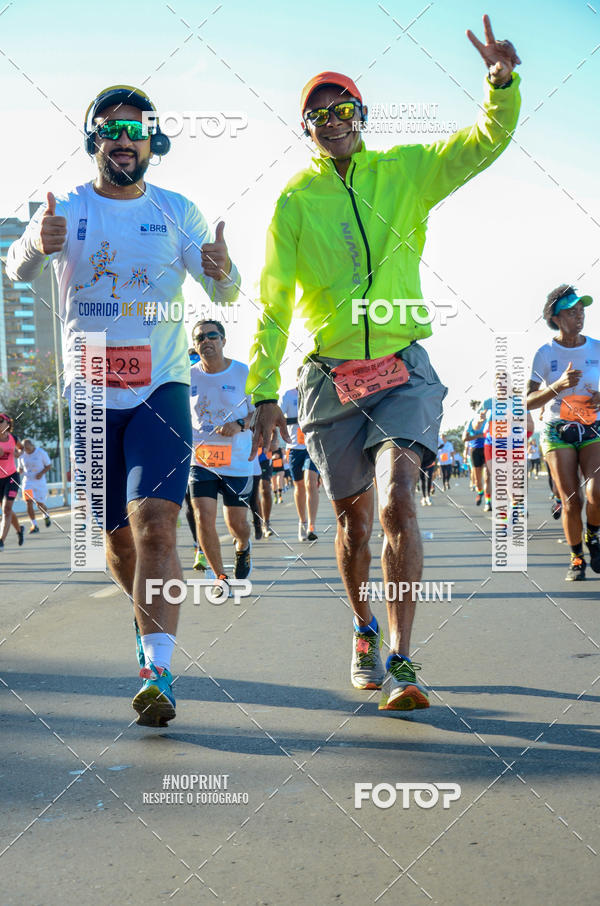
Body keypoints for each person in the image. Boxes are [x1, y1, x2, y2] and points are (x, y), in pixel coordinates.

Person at [247, 17, 521, 711]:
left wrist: (500, 86)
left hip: (401, 369)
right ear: (306, 129)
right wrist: (262, 390)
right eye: (319, 115)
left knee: (398, 498)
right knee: (354, 524)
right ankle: (363, 629)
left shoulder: (404, 172)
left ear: (361, 116)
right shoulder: (294, 201)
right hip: (330, 378)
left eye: (343, 110)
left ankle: (401, 659)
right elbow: (274, 301)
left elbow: (483, 142)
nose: (332, 122)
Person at [7, 85, 240, 725]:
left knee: (157, 524)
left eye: (136, 129)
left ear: (152, 140)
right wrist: (36, 245)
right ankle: (146, 629)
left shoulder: (176, 210)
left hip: (161, 388)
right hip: (90, 391)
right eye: (111, 129)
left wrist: (224, 269)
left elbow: (223, 289)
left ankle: (157, 671)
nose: (124, 139)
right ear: (95, 140)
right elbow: (16, 269)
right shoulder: (68, 207)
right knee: (118, 541)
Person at [528, 285, 600, 580]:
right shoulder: (545, 353)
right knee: (572, 500)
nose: (579, 315)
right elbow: (529, 400)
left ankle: (593, 534)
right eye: (571, 312)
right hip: (557, 429)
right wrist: (557, 386)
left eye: (581, 310)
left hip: (593, 426)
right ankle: (576, 559)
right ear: (556, 318)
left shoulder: (597, 347)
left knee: (597, 492)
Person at [189, 319, 253, 592]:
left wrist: (239, 425)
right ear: (195, 346)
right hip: (201, 459)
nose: (206, 341)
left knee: (237, 524)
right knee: (203, 516)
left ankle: (243, 545)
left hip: (236, 459)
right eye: (200, 338)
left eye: (212, 336)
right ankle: (220, 577)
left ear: (223, 340)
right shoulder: (187, 376)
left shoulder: (243, 372)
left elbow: (258, 413)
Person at [281, 378, 320, 541]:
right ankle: (302, 522)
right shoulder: (288, 395)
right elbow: (279, 418)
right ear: (298, 379)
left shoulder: (316, 393)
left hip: (312, 446)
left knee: (311, 482)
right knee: (299, 486)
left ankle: (311, 526)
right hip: (294, 447)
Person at [0, 414, 25, 548]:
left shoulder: (13, 438)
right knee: (7, 510)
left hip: (11, 477)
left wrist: (18, 454)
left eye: (0, 421)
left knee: (7, 508)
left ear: (8, 424)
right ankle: (20, 530)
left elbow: (21, 448)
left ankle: (1, 541)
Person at [18, 438, 53, 532]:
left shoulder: (40, 452)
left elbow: (49, 465)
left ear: (32, 445)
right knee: (28, 502)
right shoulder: (22, 455)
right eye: (24, 447)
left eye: (26, 447)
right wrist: (18, 471)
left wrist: (41, 473)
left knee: (39, 504)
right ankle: (34, 525)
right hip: (27, 482)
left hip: (39, 482)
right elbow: (20, 468)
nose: (25, 449)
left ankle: (46, 515)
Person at [464, 409, 488, 505]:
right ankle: (480, 492)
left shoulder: (490, 420)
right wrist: (479, 436)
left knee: (487, 476)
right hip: (475, 450)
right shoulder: (471, 422)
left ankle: (488, 501)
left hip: (487, 449)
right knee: (478, 480)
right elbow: (464, 438)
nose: (483, 413)